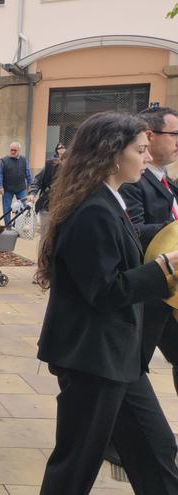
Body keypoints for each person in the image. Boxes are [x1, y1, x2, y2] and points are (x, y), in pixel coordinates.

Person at [36, 112, 178, 494]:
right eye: (141, 150)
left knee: (156, 448)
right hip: (93, 359)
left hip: (118, 358)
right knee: (76, 465)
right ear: (114, 154)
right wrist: (164, 268)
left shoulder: (107, 202)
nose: (147, 159)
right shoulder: (93, 210)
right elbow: (104, 291)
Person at [121, 107, 178, 399]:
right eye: (174, 134)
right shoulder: (131, 181)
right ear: (150, 135)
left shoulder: (166, 181)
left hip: (169, 292)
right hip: (149, 292)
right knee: (130, 369)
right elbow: (133, 231)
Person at [29, 143, 65, 239]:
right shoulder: (50, 165)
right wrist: (32, 193)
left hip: (63, 208)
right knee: (45, 236)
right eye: (60, 148)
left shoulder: (73, 171)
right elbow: (38, 180)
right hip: (47, 206)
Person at [0, 142, 32, 226]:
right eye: (11, 150)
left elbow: (28, 173)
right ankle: (8, 226)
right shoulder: (4, 161)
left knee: (23, 206)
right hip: (7, 189)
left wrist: (30, 184)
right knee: (7, 208)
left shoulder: (24, 160)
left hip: (21, 188)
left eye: (14, 150)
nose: (12, 152)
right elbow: (0, 174)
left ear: (19, 150)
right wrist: (0, 186)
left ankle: (19, 225)